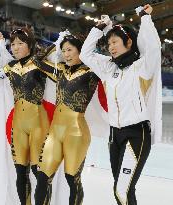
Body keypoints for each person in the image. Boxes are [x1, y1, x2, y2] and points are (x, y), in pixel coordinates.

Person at [80, 4, 161, 205]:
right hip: (114, 135)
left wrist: (145, 18)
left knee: (122, 189)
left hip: (137, 133)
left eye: (115, 42)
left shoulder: (142, 66)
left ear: (128, 42)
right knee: (120, 189)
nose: (111, 47)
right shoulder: (109, 69)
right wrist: (99, 29)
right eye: (108, 44)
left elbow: (152, 47)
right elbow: (85, 55)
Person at [0, 28, 50, 205]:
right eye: (12, 44)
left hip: (38, 122)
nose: (15, 47)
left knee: (40, 172)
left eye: (20, 43)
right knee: (21, 172)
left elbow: (59, 73)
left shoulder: (38, 63)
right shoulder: (10, 67)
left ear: (29, 45)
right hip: (18, 124)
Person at [33, 33, 99, 205]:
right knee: (42, 177)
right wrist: (56, 44)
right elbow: (37, 61)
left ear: (80, 50)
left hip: (76, 132)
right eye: (64, 51)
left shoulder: (92, 71)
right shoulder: (60, 70)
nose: (66, 54)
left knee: (72, 179)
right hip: (55, 132)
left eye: (70, 49)